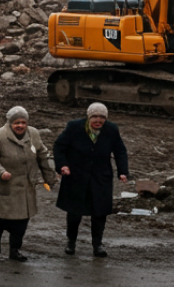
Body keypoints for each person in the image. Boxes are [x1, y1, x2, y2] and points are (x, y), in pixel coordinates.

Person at [0, 106, 56, 262]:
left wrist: (49, 176)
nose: (20, 125)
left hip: (26, 186)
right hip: (5, 184)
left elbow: (42, 155)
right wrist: (1, 171)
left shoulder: (33, 133)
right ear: (10, 123)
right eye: (16, 122)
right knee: (1, 218)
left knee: (22, 222)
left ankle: (14, 251)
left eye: (23, 122)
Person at [53, 102, 128, 258]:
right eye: (95, 116)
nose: (98, 120)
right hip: (76, 176)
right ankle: (71, 242)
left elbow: (120, 151)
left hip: (101, 178)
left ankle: (97, 245)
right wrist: (63, 165)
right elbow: (59, 147)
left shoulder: (111, 130)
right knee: (74, 212)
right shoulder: (74, 127)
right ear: (89, 116)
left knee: (99, 213)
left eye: (102, 117)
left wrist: (122, 171)